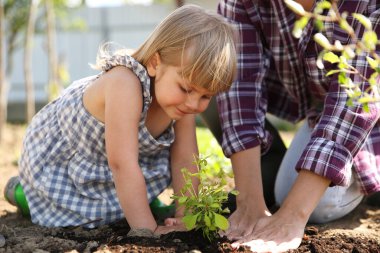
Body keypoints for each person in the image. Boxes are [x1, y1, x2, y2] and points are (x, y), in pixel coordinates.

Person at [15, 4, 237, 235]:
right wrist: (147, 230)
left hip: (113, 169)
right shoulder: (125, 83)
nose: (193, 104)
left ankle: (136, 205)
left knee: (123, 207)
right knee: (46, 205)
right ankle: (20, 191)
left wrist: (186, 216)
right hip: (64, 167)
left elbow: (185, 160)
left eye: (206, 96)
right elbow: (121, 164)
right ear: (154, 63)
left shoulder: (180, 104)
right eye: (185, 88)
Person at [200, 0, 380, 252]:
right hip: (320, 109)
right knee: (209, 81)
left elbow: (354, 103)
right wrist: (249, 204)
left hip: (369, 114)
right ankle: (266, 174)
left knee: (315, 206)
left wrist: (292, 215)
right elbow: (239, 85)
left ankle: (371, 176)